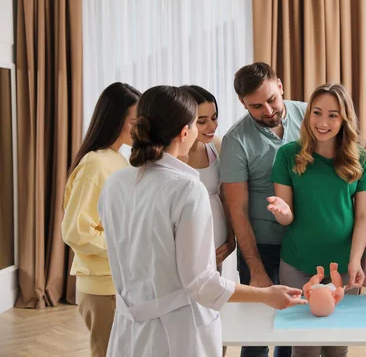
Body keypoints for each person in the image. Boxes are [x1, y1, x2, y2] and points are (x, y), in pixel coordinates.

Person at [97, 85, 306, 356]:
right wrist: (267, 295)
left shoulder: (115, 183)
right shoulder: (185, 188)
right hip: (177, 331)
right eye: (197, 122)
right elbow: (201, 283)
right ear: (185, 132)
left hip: (128, 330)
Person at [267, 83, 366, 357]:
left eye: (333, 115)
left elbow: (363, 216)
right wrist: (282, 212)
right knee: (304, 346)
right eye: (316, 113)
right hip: (298, 264)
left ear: (344, 119)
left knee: (337, 344)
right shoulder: (288, 154)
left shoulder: (360, 159)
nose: (323, 122)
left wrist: (355, 260)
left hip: (343, 266)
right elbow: (287, 216)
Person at [220, 63, 307, 357]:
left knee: (293, 327)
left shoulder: (310, 116)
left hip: (304, 242)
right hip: (263, 246)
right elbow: (237, 210)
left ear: (280, 86)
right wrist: (255, 270)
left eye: (272, 99)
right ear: (242, 103)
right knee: (257, 332)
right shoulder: (235, 141)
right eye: (256, 106)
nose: (268, 111)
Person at [61, 82, 141, 357]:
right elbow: (76, 231)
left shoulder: (119, 160)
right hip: (101, 285)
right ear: (116, 120)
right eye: (134, 121)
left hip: (119, 280)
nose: (140, 128)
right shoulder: (95, 164)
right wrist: (127, 247)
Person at [180, 85, 236, 277]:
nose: (212, 126)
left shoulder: (217, 146)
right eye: (202, 121)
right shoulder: (173, 155)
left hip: (217, 250)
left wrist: (230, 239)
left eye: (214, 117)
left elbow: (225, 197)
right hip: (185, 254)